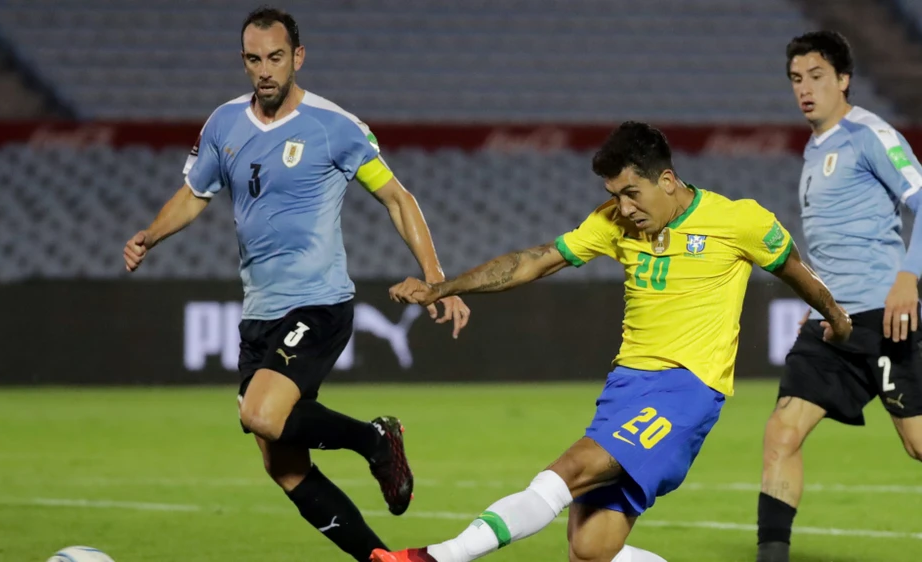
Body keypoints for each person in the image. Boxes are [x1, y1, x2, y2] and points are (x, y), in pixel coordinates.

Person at [373, 121, 851, 562]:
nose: (624, 208)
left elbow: (795, 270)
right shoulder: (613, 223)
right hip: (625, 388)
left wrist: (835, 317)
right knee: (590, 549)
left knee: (566, 472)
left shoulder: (739, 221)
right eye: (615, 196)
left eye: (632, 193)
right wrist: (444, 287)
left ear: (667, 180)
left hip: (686, 390)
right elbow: (536, 259)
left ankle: (436, 556)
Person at [122, 7, 470, 562]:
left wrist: (436, 278)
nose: (265, 70)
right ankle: (378, 559)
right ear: (243, 61)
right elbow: (194, 194)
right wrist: (151, 235)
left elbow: (397, 198)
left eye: (276, 57)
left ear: (298, 58)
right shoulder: (223, 124)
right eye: (254, 59)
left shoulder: (335, 126)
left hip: (318, 303)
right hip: (258, 312)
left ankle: (376, 441)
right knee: (282, 465)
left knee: (260, 414)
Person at [756, 30, 922, 562]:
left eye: (817, 77)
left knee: (918, 443)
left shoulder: (869, 134)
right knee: (782, 431)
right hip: (831, 324)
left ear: (844, 79)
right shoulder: (814, 148)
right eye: (796, 79)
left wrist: (909, 277)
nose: (805, 89)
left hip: (885, 315)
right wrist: (818, 304)